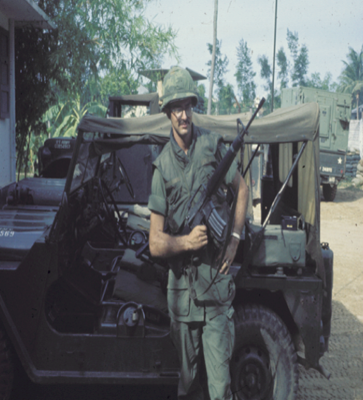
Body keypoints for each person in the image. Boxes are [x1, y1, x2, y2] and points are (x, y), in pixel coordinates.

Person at [148, 66, 248, 400]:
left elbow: (242, 189)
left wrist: (234, 238)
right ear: (168, 113)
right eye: (176, 107)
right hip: (183, 296)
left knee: (220, 390)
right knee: (188, 386)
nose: (184, 114)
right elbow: (155, 242)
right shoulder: (162, 167)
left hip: (216, 290)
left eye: (188, 105)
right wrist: (185, 242)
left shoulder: (212, 145)